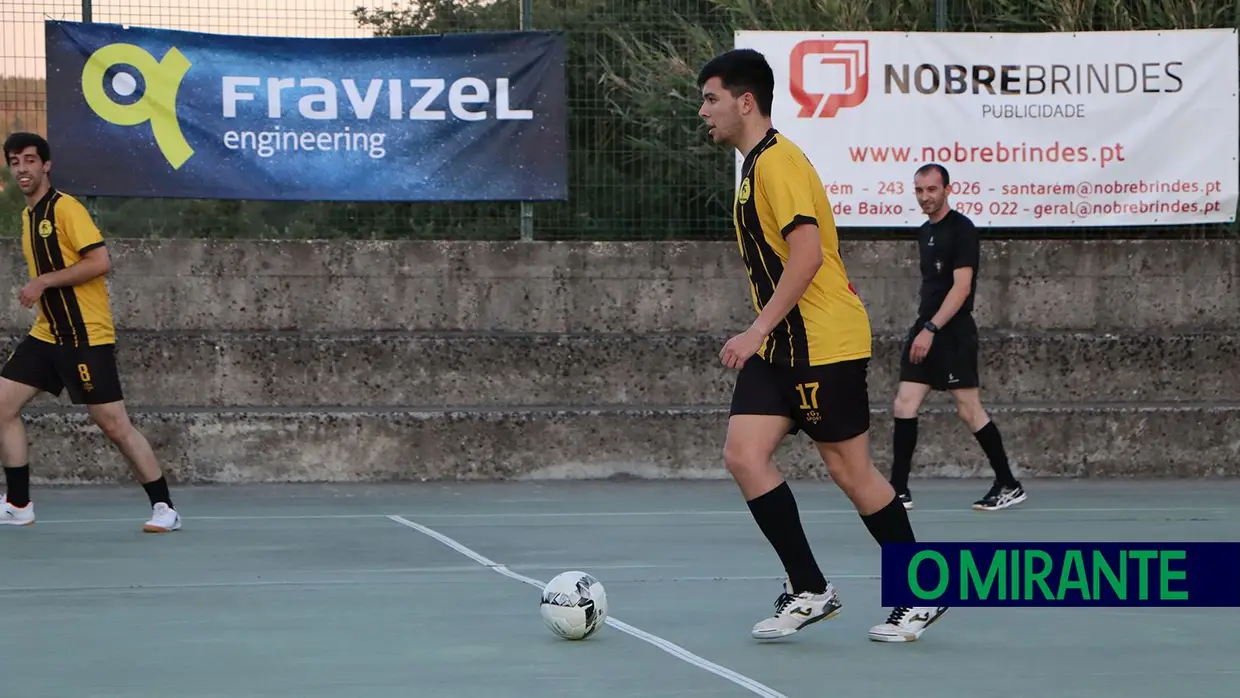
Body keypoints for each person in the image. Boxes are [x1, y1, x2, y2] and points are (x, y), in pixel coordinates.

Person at [696, 50, 947, 643]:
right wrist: (765, 334)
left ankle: (919, 594)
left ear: (745, 102)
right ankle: (809, 588)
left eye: (711, 98)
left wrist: (756, 329)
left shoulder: (779, 163)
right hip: (781, 345)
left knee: (848, 469)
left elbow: (807, 255)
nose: (703, 110)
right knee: (743, 454)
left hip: (823, 341)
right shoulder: (753, 168)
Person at [1, 132, 181, 532]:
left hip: (85, 337)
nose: (22, 169)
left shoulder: (66, 209)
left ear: (45, 165)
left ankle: (165, 508)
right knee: (2, 407)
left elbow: (100, 262)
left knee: (114, 425)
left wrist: (44, 282)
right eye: (15, 162)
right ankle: (17, 504)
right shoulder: (28, 216)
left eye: (30, 160)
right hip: (48, 334)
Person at [888, 163, 1026, 512]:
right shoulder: (924, 232)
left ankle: (1008, 484)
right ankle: (898, 490)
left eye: (932, 190)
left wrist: (931, 329)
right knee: (904, 404)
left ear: (947, 190)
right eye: (919, 191)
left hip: (952, 334)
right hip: (926, 328)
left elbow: (961, 288)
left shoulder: (962, 230)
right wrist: (925, 328)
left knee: (969, 410)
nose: (925, 197)